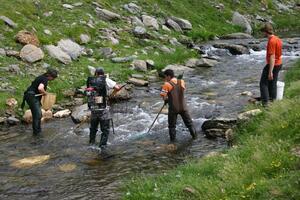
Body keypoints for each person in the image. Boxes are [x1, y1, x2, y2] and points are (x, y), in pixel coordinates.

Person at [86, 68, 120, 149]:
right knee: (105, 130)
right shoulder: (106, 80)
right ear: (103, 73)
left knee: (93, 128)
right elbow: (117, 87)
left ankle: (91, 143)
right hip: (103, 108)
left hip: (93, 107)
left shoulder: (90, 80)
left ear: (96, 74)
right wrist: (111, 95)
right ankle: (102, 146)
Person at [160, 69, 197, 142]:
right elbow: (182, 90)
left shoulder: (167, 84)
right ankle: (195, 138)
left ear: (169, 76)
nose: (165, 79)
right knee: (189, 124)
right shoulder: (182, 81)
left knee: (172, 126)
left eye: (165, 77)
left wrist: (166, 100)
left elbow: (163, 96)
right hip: (183, 107)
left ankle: (173, 142)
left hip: (173, 109)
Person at [21, 68, 58, 135]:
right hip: (32, 96)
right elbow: (40, 88)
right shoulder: (44, 79)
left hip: (29, 96)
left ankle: (38, 131)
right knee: (37, 115)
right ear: (49, 75)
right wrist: (45, 93)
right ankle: (36, 133)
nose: (52, 79)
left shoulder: (41, 77)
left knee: (38, 114)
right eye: (53, 78)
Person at [260, 22, 282, 106]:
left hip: (273, 64)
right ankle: (273, 101)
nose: (262, 34)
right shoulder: (277, 38)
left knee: (263, 83)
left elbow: (272, 56)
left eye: (263, 32)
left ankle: (265, 103)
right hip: (279, 63)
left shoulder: (271, 41)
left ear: (265, 32)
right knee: (273, 83)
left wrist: (270, 71)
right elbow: (279, 54)